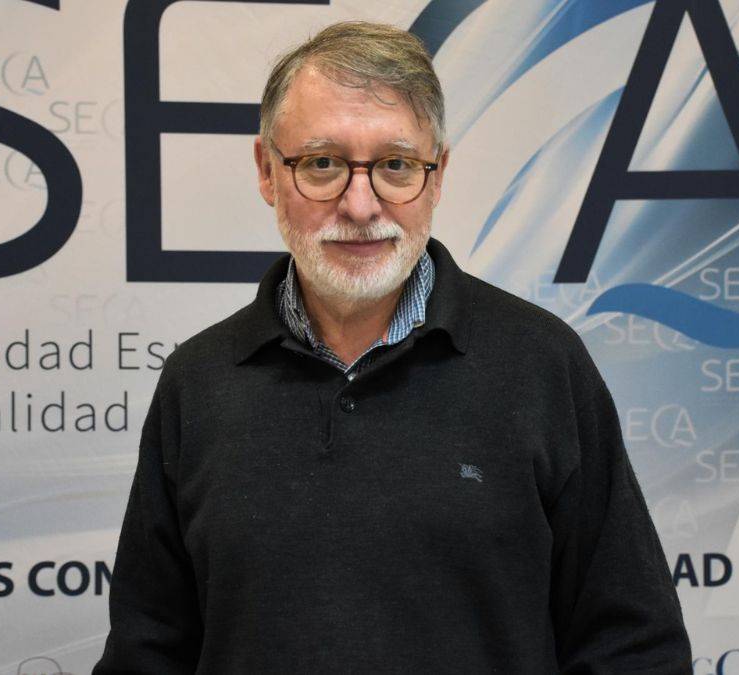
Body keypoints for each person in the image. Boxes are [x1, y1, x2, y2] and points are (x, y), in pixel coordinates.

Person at [94, 20, 690, 674]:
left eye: (396, 165)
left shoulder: (543, 366)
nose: (360, 205)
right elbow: (146, 655)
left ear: (438, 175)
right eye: (322, 163)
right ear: (267, 171)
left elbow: (634, 649)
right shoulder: (198, 384)